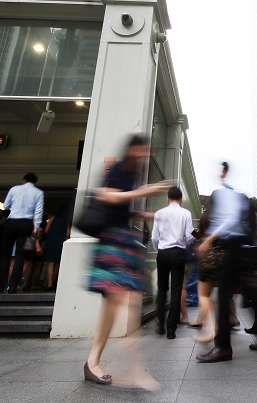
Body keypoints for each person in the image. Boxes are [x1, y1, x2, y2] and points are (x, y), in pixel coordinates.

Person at [84, 135, 169, 388]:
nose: (147, 154)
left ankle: (105, 363)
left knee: (123, 304)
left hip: (122, 241)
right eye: (144, 149)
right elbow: (107, 196)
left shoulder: (132, 172)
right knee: (120, 303)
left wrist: (140, 212)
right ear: (135, 149)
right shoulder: (121, 168)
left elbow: (119, 205)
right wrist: (145, 191)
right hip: (114, 241)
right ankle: (120, 367)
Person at [196, 162, 257, 363]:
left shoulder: (226, 195)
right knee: (237, 293)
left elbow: (232, 220)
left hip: (235, 247)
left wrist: (209, 238)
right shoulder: (231, 194)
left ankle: (223, 347)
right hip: (240, 249)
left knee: (226, 293)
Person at [152, 186, 194, 340]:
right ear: (181, 199)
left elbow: (154, 238)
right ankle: (171, 329)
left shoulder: (159, 213)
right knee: (176, 290)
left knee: (162, 289)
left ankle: (160, 324)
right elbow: (189, 237)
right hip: (178, 253)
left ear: (167, 198)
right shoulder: (186, 214)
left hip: (163, 253)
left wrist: (160, 249)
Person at [0, 173, 44, 294]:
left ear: (24, 180)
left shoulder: (14, 189)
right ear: (35, 182)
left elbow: (6, 206)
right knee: (20, 256)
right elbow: (38, 211)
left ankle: (0, 284)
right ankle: (13, 286)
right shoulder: (38, 192)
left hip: (12, 223)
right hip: (26, 224)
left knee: (5, 254)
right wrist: (36, 227)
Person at [41, 204, 71, 291]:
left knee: (50, 263)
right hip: (60, 242)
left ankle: (49, 284)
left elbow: (46, 230)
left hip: (51, 241)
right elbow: (67, 234)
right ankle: (54, 283)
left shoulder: (53, 218)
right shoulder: (67, 221)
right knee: (57, 264)